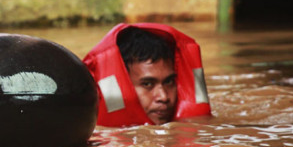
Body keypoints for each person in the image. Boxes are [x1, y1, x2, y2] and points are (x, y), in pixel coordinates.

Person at [83, 23, 211, 127]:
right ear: (123, 87)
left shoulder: (199, 128)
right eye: (148, 84)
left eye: (169, 82)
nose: (163, 97)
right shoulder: (95, 138)